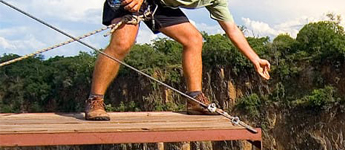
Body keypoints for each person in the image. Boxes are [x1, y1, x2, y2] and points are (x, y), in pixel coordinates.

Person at [84, 0, 271, 120]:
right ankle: (95, 100)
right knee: (123, 43)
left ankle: (194, 99)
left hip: (160, 4)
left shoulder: (217, 1)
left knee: (194, 40)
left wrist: (255, 59)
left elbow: (232, 30)